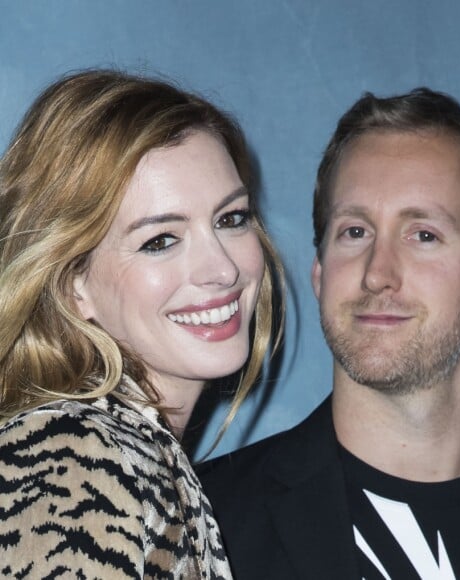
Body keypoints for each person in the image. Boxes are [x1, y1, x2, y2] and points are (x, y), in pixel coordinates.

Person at [198, 88, 460, 579]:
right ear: (320, 271)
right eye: (355, 232)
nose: (378, 273)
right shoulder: (205, 521)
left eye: (423, 235)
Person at [0, 69, 282, 579]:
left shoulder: (123, 452)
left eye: (230, 219)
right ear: (71, 284)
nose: (223, 268)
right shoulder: (73, 457)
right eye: (160, 240)